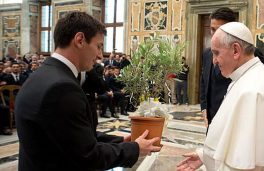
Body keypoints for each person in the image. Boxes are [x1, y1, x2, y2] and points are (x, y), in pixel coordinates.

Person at [15, 12, 161, 171]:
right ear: (80, 40)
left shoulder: (43, 75)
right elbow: (88, 156)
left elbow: (71, 138)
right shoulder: (61, 88)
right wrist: (135, 149)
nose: (99, 55)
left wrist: (121, 142)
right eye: (98, 46)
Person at [177, 22, 264, 171]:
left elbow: (243, 164)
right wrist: (204, 156)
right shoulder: (246, 77)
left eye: (217, 53)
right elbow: (232, 140)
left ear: (236, 50)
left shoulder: (253, 91)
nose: (214, 60)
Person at [200, 7, 264, 131]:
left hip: (236, 123)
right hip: (213, 122)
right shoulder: (207, 54)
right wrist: (204, 107)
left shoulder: (249, 53)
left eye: (220, 30)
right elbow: (204, 80)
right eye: (212, 29)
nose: (215, 34)